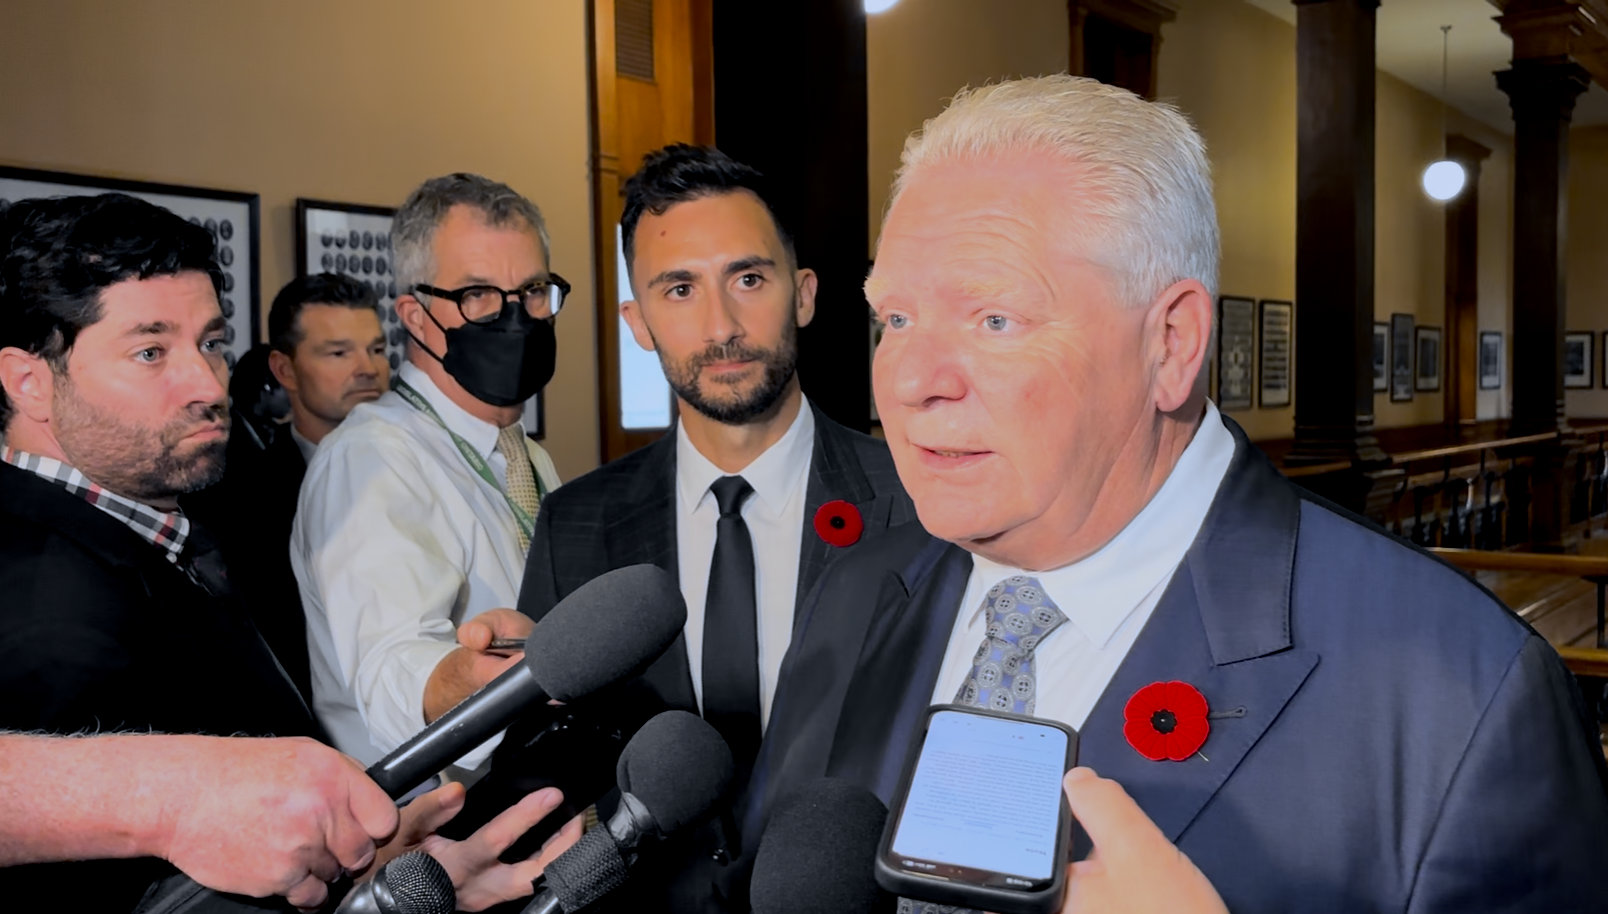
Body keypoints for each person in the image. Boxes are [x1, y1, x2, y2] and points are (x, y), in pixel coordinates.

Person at [745, 75, 1608, 913]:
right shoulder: (853, 594)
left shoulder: (1461, 697)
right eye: (893, 320)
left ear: (1171, 342)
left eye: (993, 319)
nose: (910, 381)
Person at [0, 193, 579, 912]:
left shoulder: (167, 536)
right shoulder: (34, 592)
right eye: (150, 351)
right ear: (29, 382)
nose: (207, 385)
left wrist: (374, 883)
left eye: (210, 343)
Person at [519, 144, 914, 910]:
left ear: (802, 294)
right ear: (638, 322)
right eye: (679, 289)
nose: (721, 325)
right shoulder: (576, 523)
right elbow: (552, 768)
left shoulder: (917, 501)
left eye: (748, 278)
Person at [294, 174, 562, 776]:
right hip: (440, 838)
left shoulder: (526, 455)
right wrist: (490, 675)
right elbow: (392, 664)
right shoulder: (370, 457)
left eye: (534, 290)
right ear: (416, 317)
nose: (514, 317)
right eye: (478, 295)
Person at [193, 274, 388, 702]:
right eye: (339, 352)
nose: (368, 369)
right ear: (285, 370)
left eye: (377, 349)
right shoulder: (240, 501)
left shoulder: (427, 472)